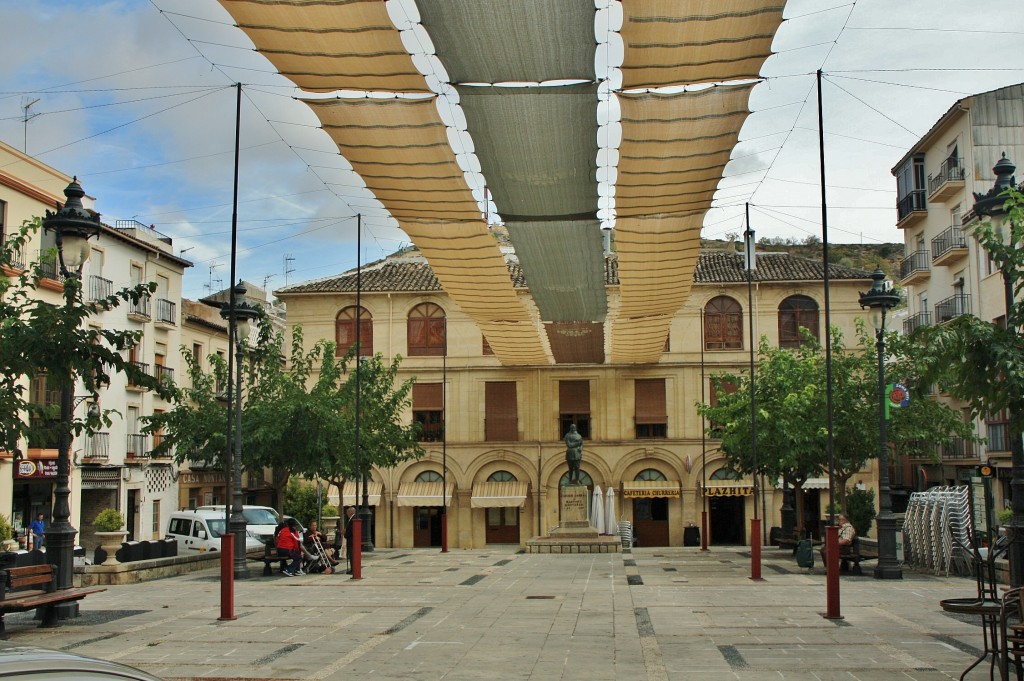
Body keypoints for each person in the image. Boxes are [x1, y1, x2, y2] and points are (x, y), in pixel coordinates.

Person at [343, 506, 356, 574]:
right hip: (351, 541)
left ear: (350, 512)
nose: (347, 513)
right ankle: (352, 569)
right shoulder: (352, 519)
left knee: (352, 555)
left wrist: (345, 534)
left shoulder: (353, 519)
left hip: (351, 541)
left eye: (348, 512)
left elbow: (350, 531)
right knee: (351, 555)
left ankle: (353, 569)